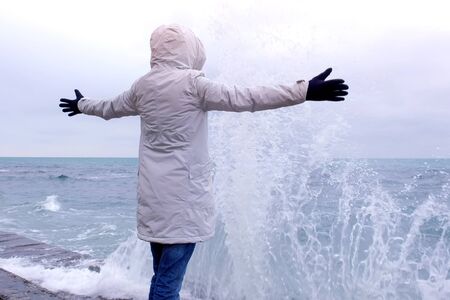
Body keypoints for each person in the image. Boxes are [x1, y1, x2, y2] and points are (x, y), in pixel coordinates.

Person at [59, 24, 348, 300]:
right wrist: (303, 91)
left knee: (162, 275)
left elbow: (109, 107)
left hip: (153, 198)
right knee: (169, 283)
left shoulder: (142, 87)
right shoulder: (193, 84)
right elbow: (246, 97)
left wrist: (81, 105)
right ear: (189, 49)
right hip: (184, 201)